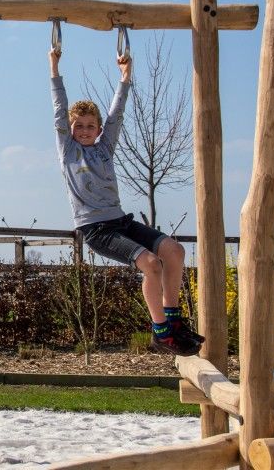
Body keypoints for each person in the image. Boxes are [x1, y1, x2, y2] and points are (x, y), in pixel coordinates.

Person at [48, 46, 203, 356]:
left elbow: (116, 114)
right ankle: (161, 333)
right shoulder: (68, 151)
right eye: (79, 125)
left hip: (120, 221)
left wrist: (126, 76)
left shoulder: (105, 147)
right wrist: (54, 66)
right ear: (70, 128)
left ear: (99, 130)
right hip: (96, 229)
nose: (84, 130)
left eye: (90, 126)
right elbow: (59, 106)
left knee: (173, 252)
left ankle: (173, 321)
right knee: (150, 263)